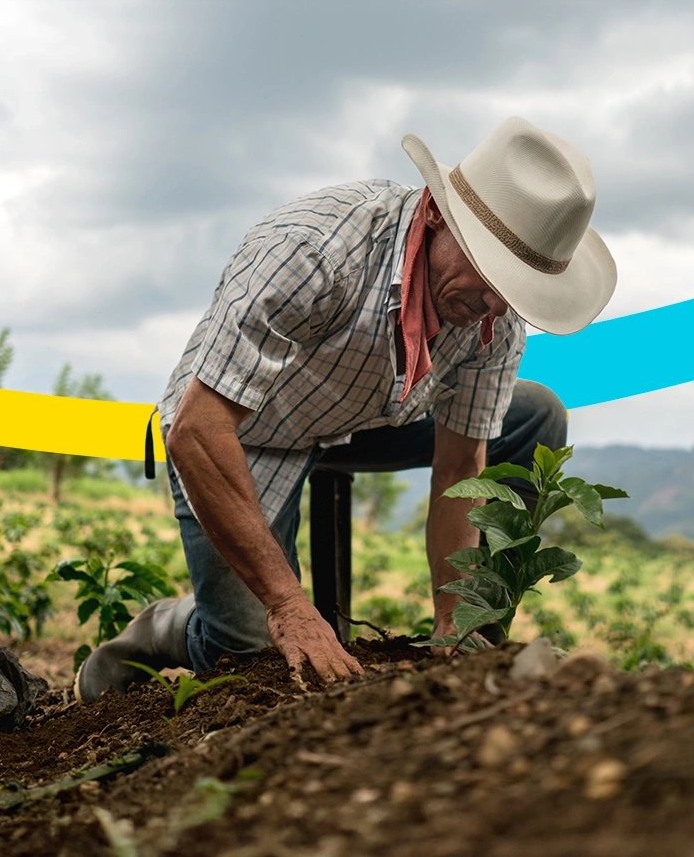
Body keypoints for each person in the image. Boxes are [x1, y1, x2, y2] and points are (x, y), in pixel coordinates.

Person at [75, 115, 617, 701]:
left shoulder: (492, 317)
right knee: (251, 654)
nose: (494, 305)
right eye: (489, 274)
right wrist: (288, 604)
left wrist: (453, 618)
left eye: (513, 290)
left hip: (366, 418)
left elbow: (461, 467)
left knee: (536, 415)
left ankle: (477, 638)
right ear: (438, 215)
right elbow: (198, 429)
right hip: (244, 430)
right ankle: (166, 626)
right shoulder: (314, 253)